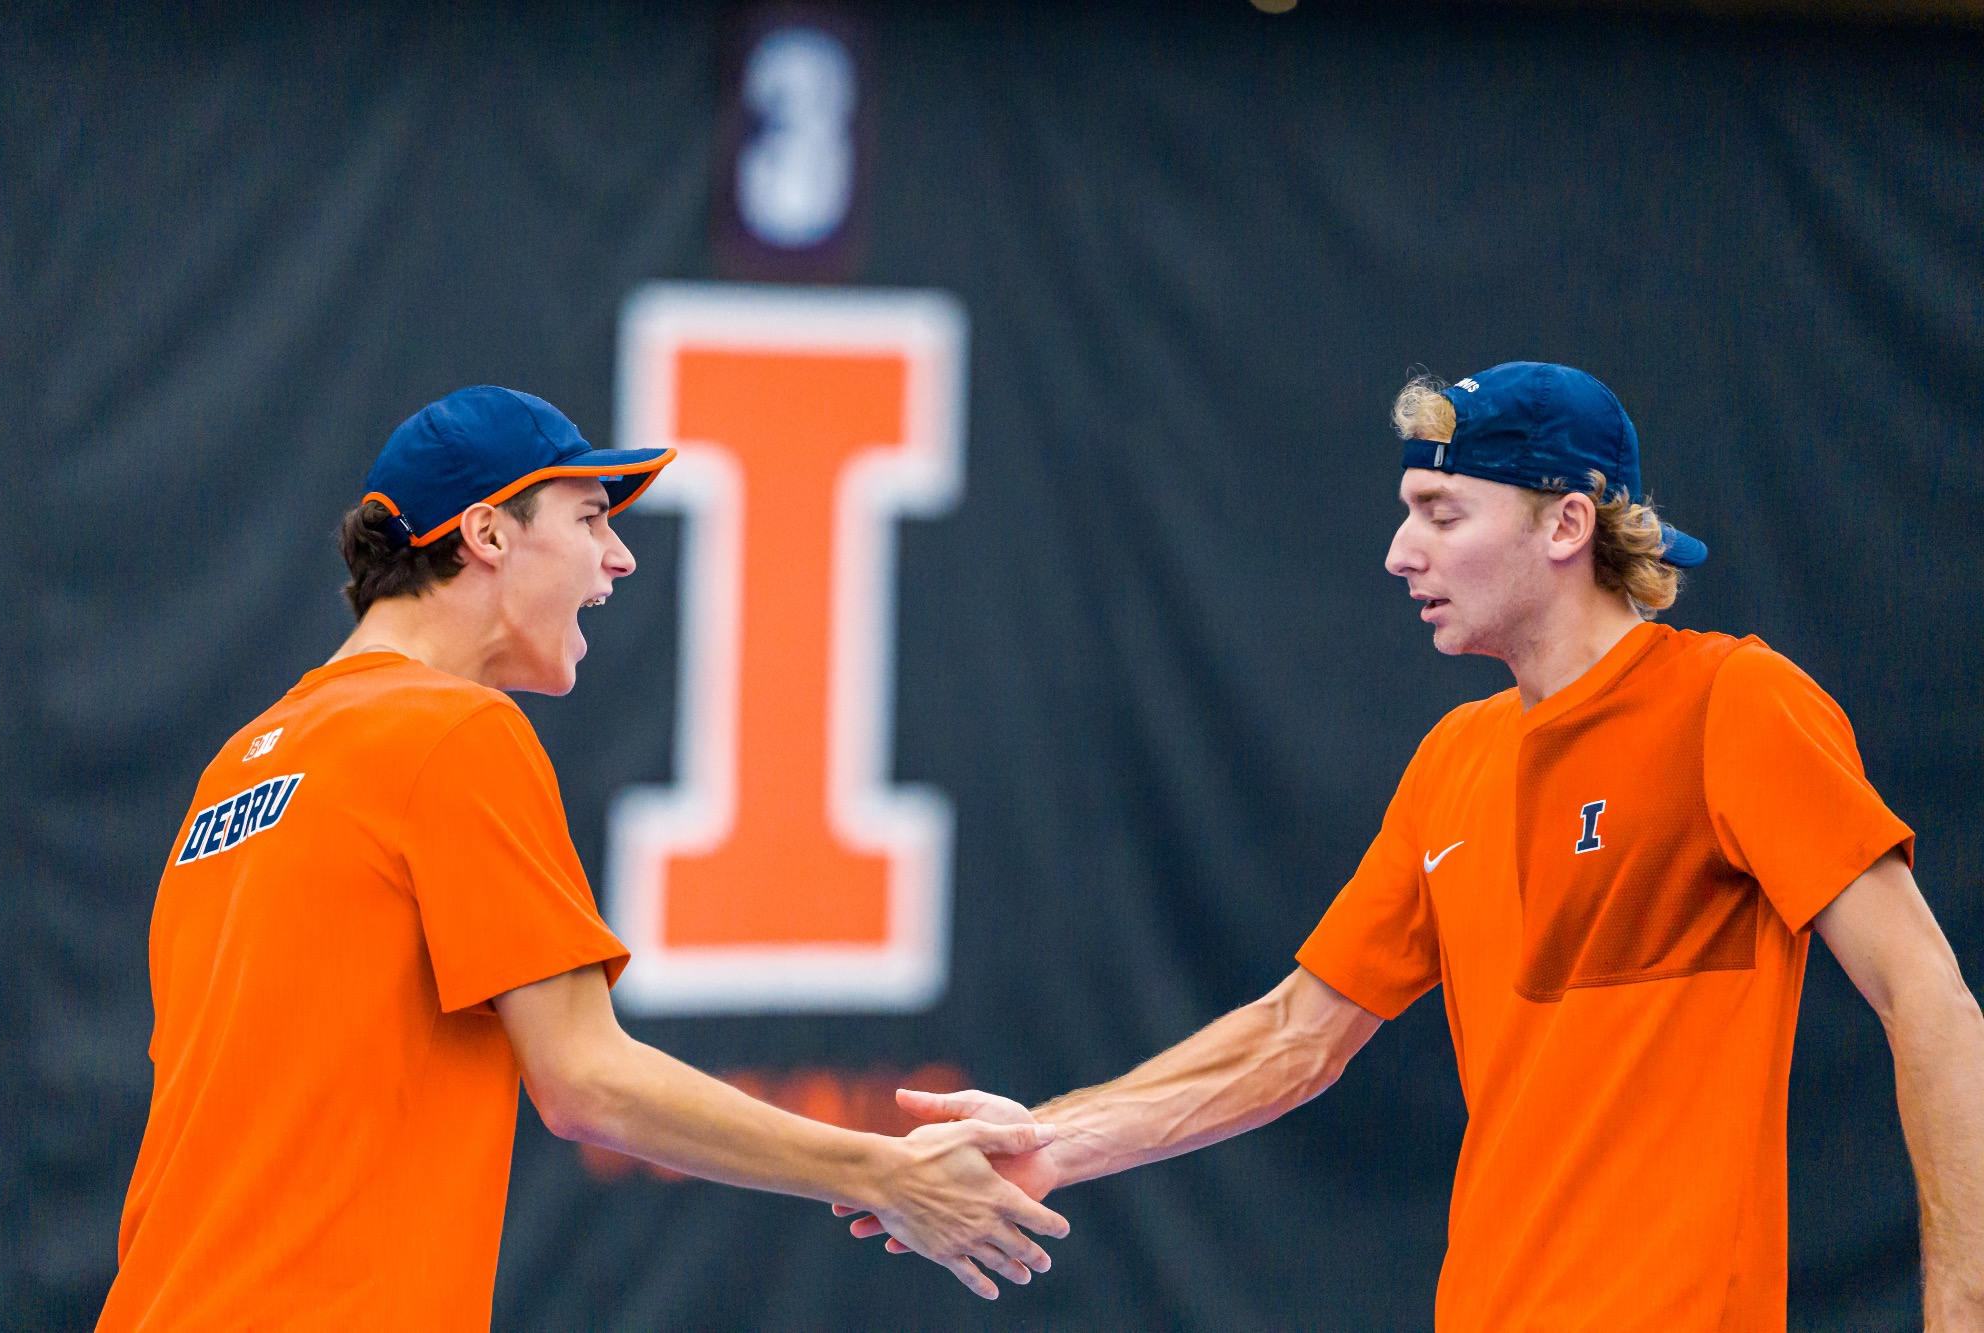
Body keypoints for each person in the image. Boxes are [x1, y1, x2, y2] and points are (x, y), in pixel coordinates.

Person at [838, 362, 1984, 1330]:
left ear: (1564, 526)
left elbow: (1929, 1001)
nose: (1398, 552)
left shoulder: (1731, 703)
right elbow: (1293, 1038)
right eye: (1406, 511)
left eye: (1441, 512)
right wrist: (1051, 1138)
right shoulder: (1455, 757)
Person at [99, 386, 1067, 1331]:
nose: (619, 556)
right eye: (591, 516)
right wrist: (883, 1172)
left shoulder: (242, 764)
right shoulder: (450, 727)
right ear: (485, 534)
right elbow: (585, 1083)